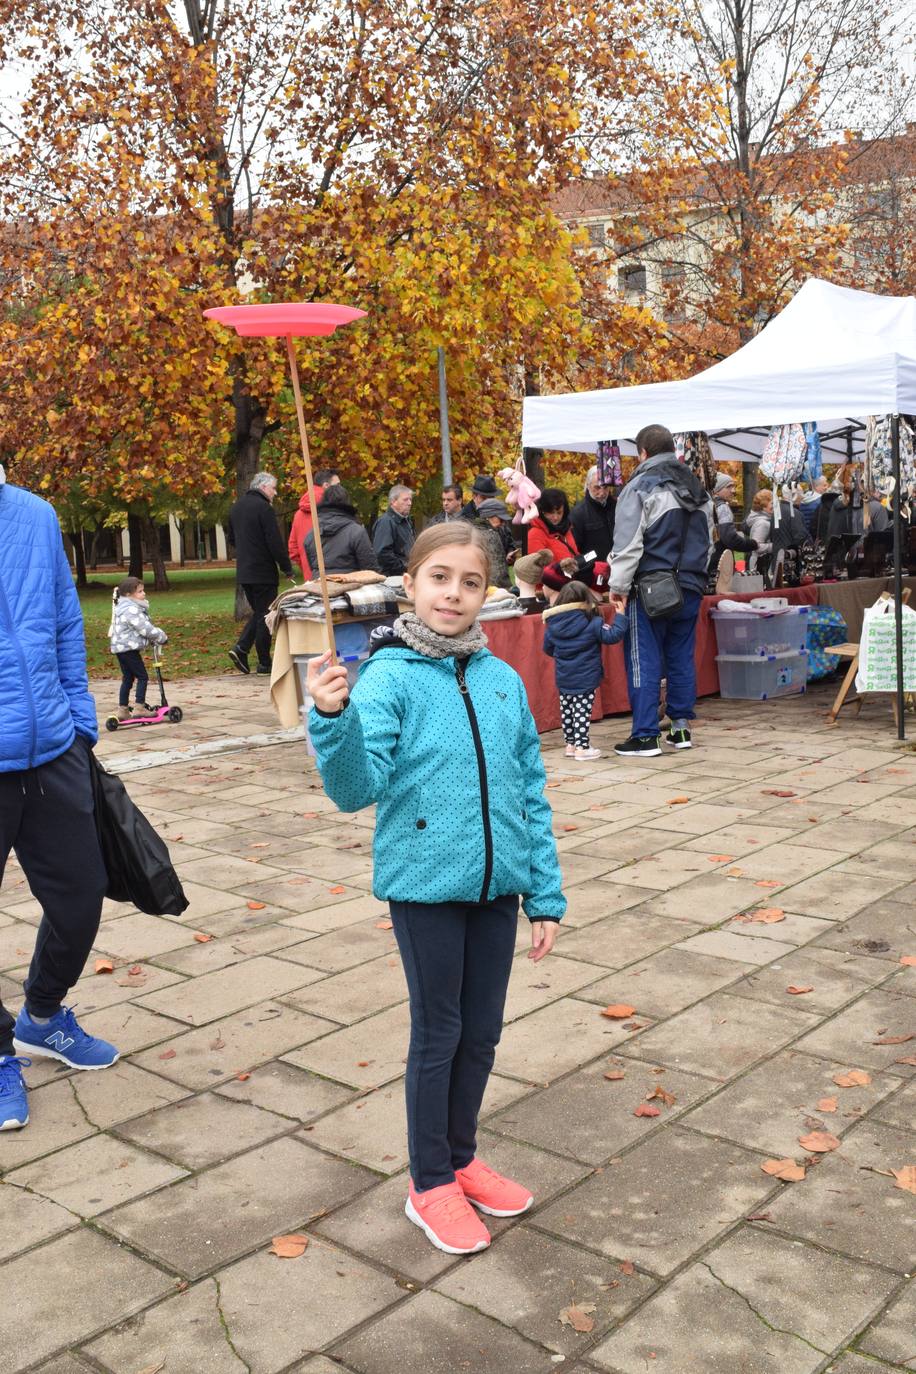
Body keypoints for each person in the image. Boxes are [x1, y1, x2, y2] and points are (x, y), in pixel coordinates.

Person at [306, 522, 565, 1256]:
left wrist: (545, 892)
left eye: (471, 581)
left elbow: (529, 791)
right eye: (440, 578)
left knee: (481, 1034)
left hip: (499, 886)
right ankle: (430, 1184)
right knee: (441, 1032)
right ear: (411, 585)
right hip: (424, 887)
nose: (454, 593)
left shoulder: (501, 679)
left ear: (490, 592)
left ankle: (460, 1156)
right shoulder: (387, 677)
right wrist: (333, 719)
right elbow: (356, 788)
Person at [0, 468, 118, 1134]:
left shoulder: (35, 515)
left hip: (52, 750)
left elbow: (64, 618)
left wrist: (79, 718)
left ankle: (41, 1017)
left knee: (81, 894)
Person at [609, 423, 714, 757]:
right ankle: (681, 729)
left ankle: (645, 735)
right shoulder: (699, 488)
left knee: (644, 658)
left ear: (642, 452)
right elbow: (709, 541)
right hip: (692, 584)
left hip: (652, 587)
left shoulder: (640, 485)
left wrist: (618, 586)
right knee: (681, 656)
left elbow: (628, 544)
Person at [542, 581, 627, 761]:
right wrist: (620, 616)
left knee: (567, 711)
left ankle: (571, 744)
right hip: (586, 675)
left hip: (564, 675)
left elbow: (548, 649)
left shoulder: (553, 624)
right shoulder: (593, 622)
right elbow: (612, 636)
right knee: (582, 712)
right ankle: (582, 747)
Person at [227, 471, 294, 676]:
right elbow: (274, 541)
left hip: (245, 572)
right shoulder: (264, 508)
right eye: (273, 488)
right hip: (263, 571)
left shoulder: (236, 508)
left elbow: (231, 539)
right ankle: (261, 660)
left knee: (259, 613)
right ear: (263, 487)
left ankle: (243, 650)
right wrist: (286, 567)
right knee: (266, 616)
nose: (275, 492)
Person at [107, 577, 168, 719]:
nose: (144, 594)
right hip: (128, 648)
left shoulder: (122, 607)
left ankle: (123, 710)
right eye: (140, 591)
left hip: (121, 648)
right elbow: (144, 628)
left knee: (128, 677)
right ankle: (139, 708)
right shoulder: (131, 609)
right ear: (128, 594)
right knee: (142, 676)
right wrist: (161, 637)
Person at [302, 484, 380, 575]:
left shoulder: (311, 534)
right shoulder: (356, 532)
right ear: (347, 502)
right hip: (350, 585)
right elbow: (370, 568)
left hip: (319, 585)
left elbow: (312, 566)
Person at [288, 469, 340, 578]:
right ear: (326, 485)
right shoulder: (334, 510)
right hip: (336, 576)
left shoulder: (298, 515)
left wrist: (307, 569)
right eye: (337, 485)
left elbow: (293, 549)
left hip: (311, 576)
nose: (340, 489)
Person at [570, 466, 617, 561]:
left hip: (618, 566)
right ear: (588, 485)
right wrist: (591, 562)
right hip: (593, 570)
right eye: (597, 487)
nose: (602, 492)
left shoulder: (617, 507)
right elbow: (574, 551)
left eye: (605, 487)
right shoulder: (578, 514)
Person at [472, 497, 516, 589]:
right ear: (489, 516)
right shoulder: (489, 535)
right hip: (494, 590)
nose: (503, 523)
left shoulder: (478, 531)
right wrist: (507, 589)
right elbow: (497, 573)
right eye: (501, 519)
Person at [372, 485, 416, 575]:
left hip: (404, 574)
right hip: (391, 578)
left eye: (410, 499)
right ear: (393, 502)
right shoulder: (385, 522)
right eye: (405, 499)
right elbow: (383, 554)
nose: (410, 503)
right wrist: (405, 568)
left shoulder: (406, 521)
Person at [527, 489, 580, 564]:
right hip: (556, 575)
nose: (555, 517)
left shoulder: (566, 530)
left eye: (559, 513)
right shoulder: (534, 535)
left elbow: (575, 554)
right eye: (551, 512)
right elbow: (537, 568)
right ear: (542, 511)